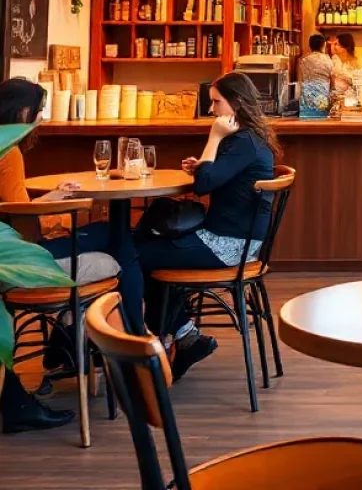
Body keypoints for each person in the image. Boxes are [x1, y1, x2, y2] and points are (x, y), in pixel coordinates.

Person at [136, 72, 278, 382]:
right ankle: (181, 335)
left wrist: (212, 139)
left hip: (228, 245)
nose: (212, 109)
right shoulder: (249, 138)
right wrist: (205, 163)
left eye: (216, 102)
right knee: (147, 246)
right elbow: (212, 177)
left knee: (136, 255)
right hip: (236, 240)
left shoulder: (238, 141)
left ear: (237, 104)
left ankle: (148, 343)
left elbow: (202, 187)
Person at [0, 79, 122, 434]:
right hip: (20, 257)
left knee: (104, 237)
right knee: (115, 240)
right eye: (38, 110)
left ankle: (67, 346)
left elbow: (13, 207)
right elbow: (19, 216)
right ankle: (115, 349)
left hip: (12, 251)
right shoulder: (9, 153)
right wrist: (60, 209)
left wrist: (52, 197)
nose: (40, 117)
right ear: (23, 113)